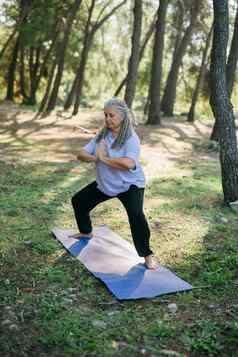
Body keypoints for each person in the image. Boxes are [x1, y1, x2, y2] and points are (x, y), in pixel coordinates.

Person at [72, 97, 157, 269]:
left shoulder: (131, 138)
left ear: (123, 117)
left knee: (136, 216)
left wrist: (103, 158)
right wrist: (95, 157)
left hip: (129, 185)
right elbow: (81, 154)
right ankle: (86, 232)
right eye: (105, 115)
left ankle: (147, 255)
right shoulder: (102, 136)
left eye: (112, 115)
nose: (108, 119)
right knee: (78, 201)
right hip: (106, 184)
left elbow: (128, 164)